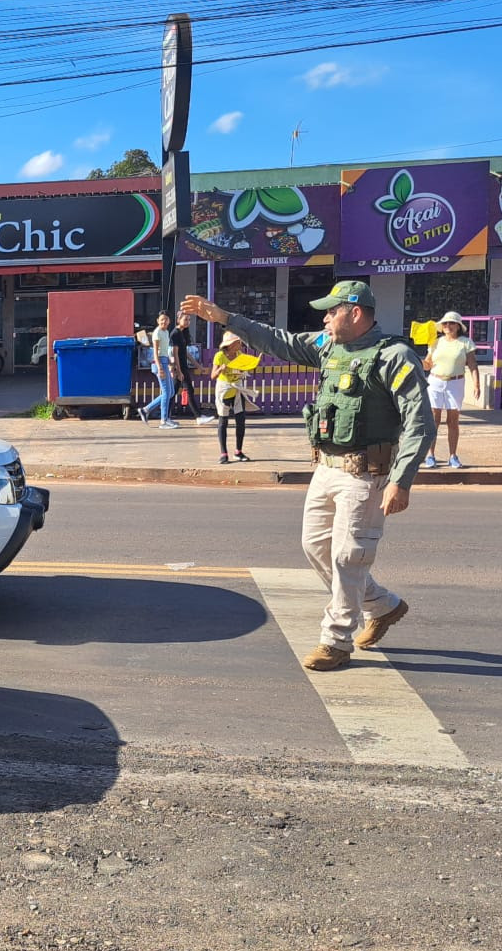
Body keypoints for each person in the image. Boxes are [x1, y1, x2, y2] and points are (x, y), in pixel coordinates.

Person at [182, 281, 435, 672]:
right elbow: (277, 340)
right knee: (316, 548)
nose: (324, 318)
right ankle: (382, 606)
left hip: (365, 474)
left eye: (331, 311)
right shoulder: (328, 346)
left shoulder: (394, 356)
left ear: (355, 312)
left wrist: (402, 480)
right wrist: (223, 317)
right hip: (326, 467)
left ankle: (335, 641)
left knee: (348, 557)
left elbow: (419, 420)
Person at [422, 311, 481, 468]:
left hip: (455, 383)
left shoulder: (465, 343)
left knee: (452, 421)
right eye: (445, 323)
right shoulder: (435, 342)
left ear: (458, 326)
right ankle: (430, 455)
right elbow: (427, 364)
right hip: (435, 381)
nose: (448, 326)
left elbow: (472, 364)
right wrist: (420, 362)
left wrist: (476, 384)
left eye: (452, 323)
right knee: (433, 420)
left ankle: (453, 455)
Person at [140, 311, 210, 428]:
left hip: (166, 361)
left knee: (171, 392)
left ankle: (146, 410)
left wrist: (171, 364)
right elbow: (157, 353)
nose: (164, 321)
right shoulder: (159, 333)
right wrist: (163, 367)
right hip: (161, 363)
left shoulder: (166, 332)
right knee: (168, 392)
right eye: (162, 319)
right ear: (158, 320)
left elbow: (168, 351)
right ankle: (163, 420)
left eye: (166, 319)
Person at [211, 331, 256, 464]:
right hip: (224, 390)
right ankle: (223, 453)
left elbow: (243, 369)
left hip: (237, 389)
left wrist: (245, 370)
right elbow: (213, 375)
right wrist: (220, 369)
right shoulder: (219, 356)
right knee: (223, 421)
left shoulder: (239, 355)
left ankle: (238, 451)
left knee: (241, 420)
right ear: (230, 345)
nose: (240, 344)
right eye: (238, 343)